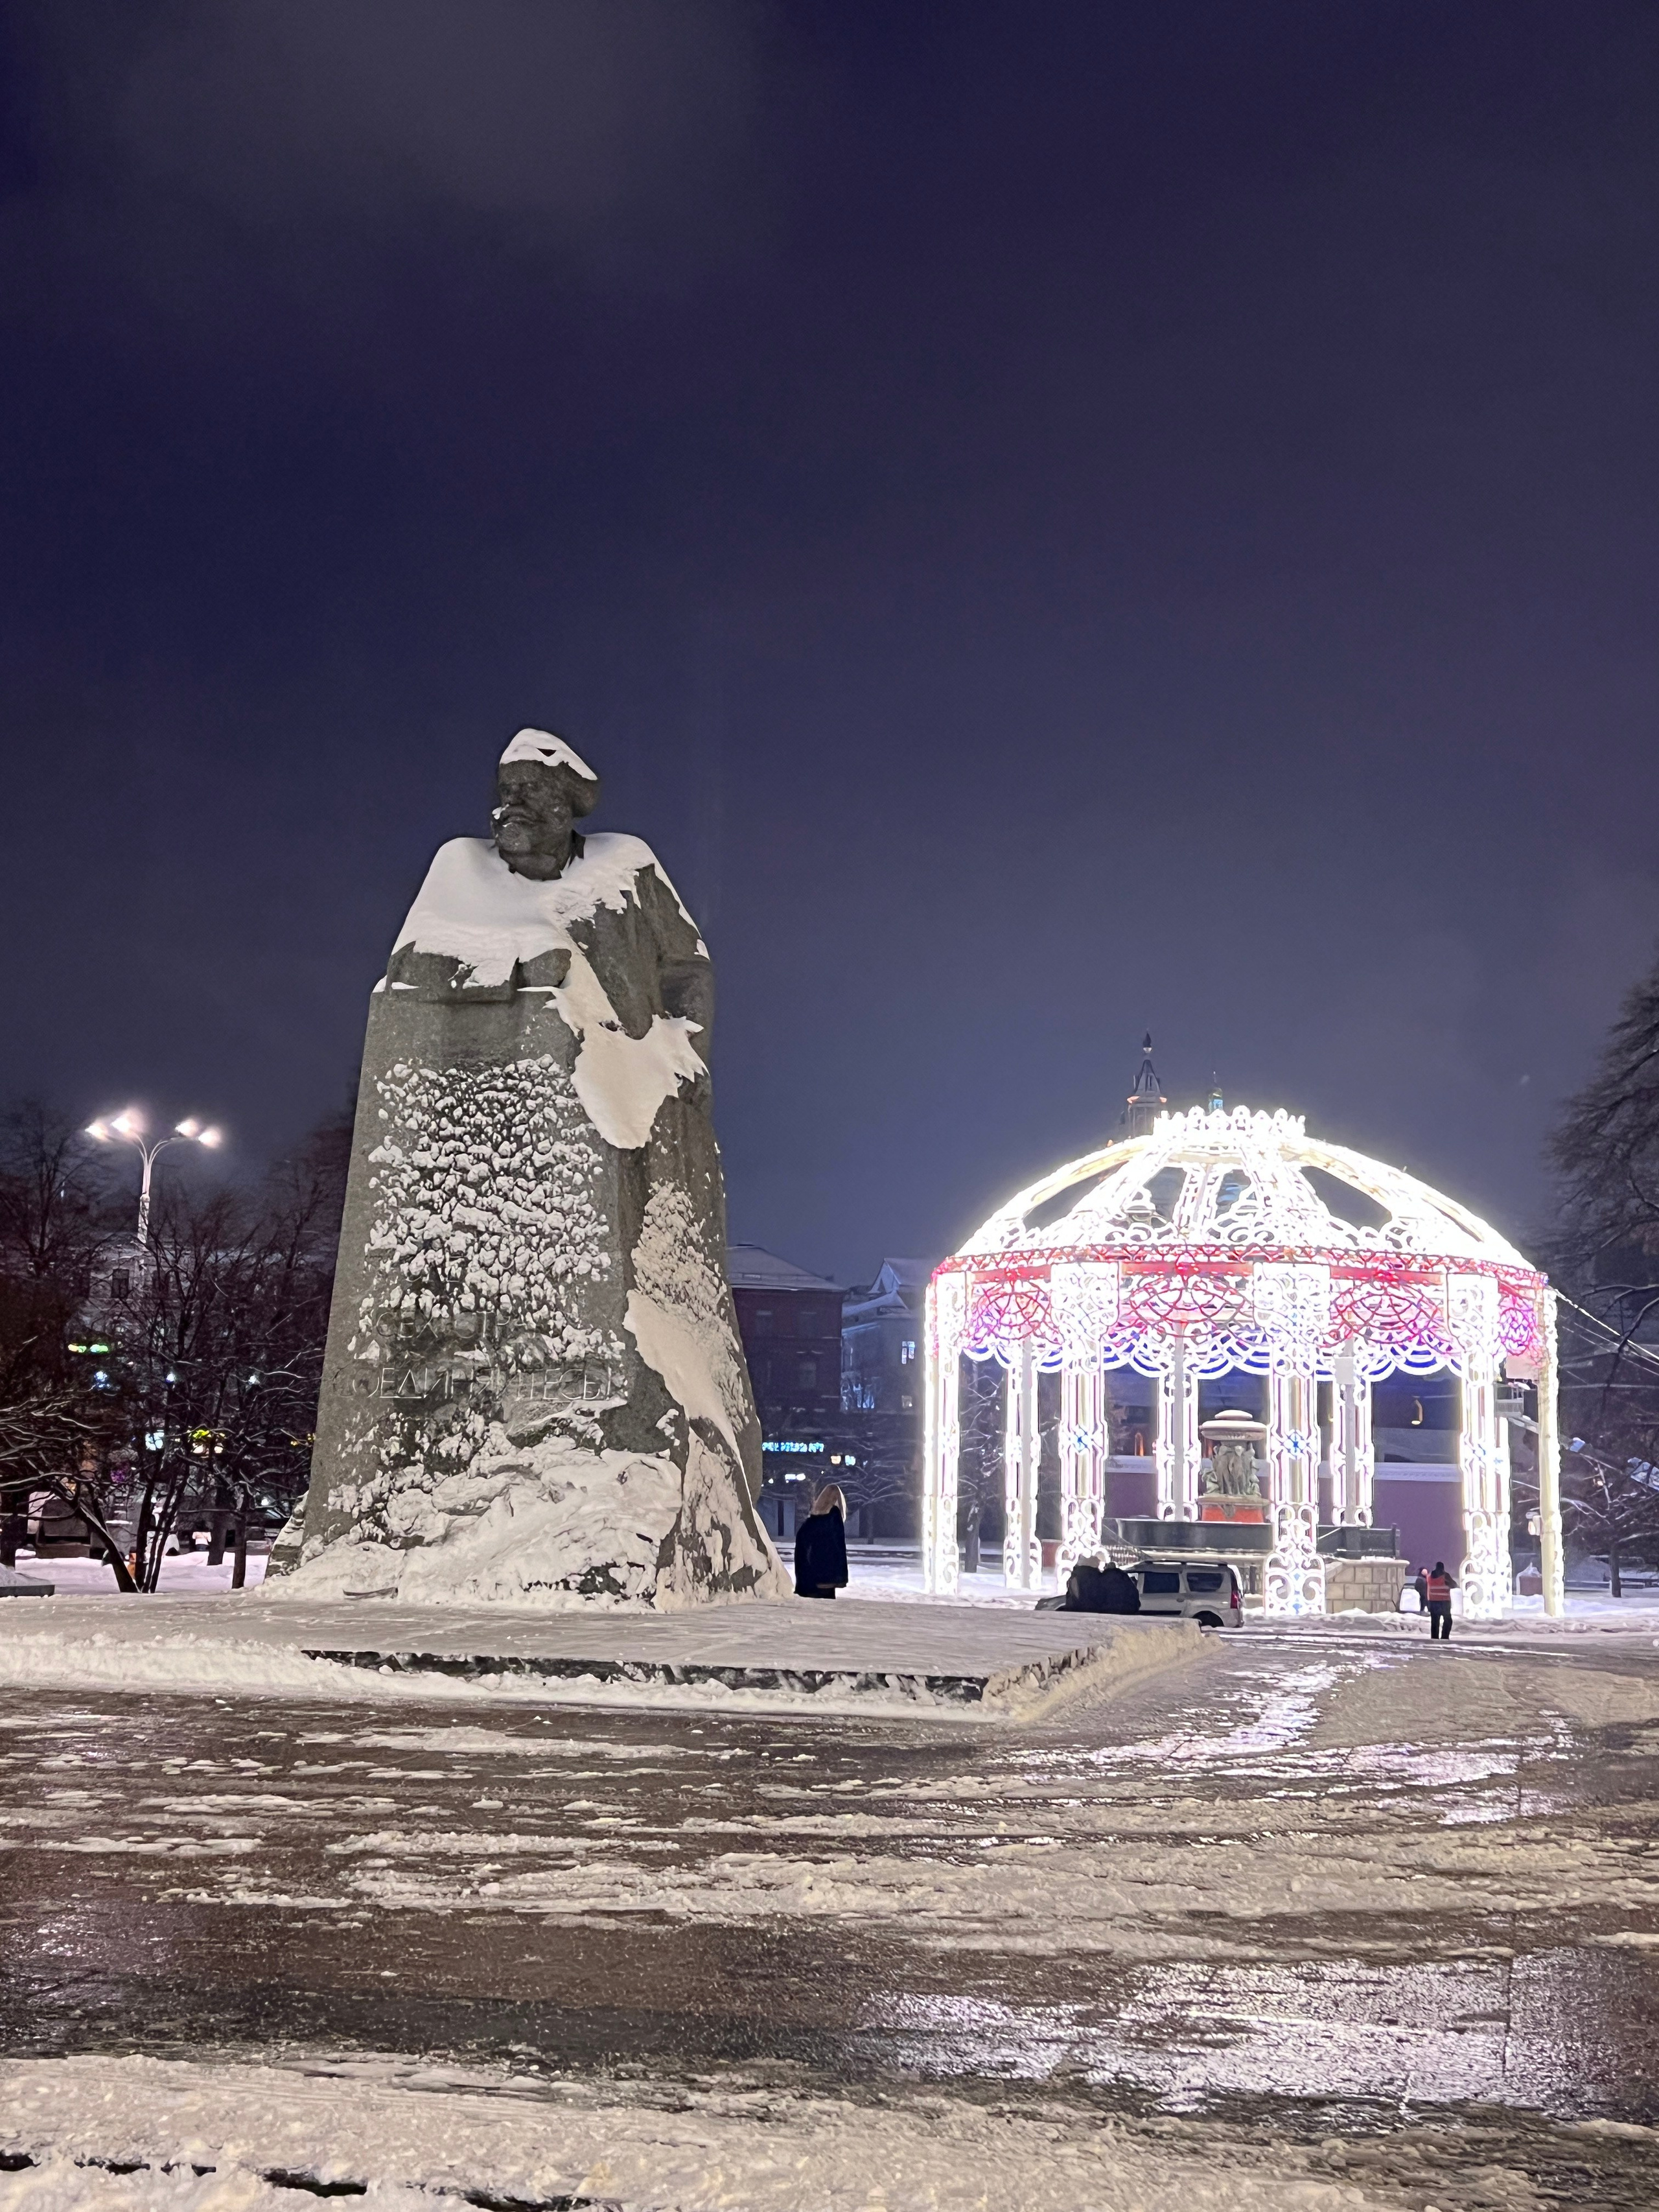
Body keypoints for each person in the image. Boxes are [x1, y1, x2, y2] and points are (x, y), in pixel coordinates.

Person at [794, 1484, 849, 1599]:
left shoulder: (811, 1520)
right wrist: (841, 1575)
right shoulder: (834, 1516)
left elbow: (802, 1546)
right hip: (829, 1574)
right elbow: (838, 1547)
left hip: (811, 1574)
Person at [1424, 1559, 1457, 1640]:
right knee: (1448, 1620)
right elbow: (1454, 1585)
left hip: (1432, 1602)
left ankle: (1434, 1638)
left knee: (1435, 1622)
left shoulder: (1429, 1577)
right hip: (1444, 1602)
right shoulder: (1445, 1576)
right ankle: (1444, 1637)